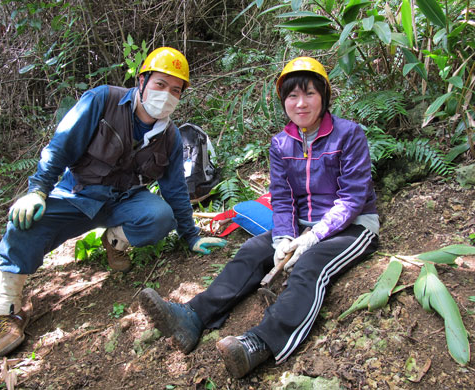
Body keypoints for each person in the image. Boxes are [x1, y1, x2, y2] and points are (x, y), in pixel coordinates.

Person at [139, 56, 379, 378]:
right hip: (302, 224)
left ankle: (261, 343)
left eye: (309, 94)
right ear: (284, 102)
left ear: (324, 96)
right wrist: (282, 237)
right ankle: (192, 317)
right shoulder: (281, 144)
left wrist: (313, 236)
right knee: (252, 251)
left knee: (310, 266)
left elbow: (352, 199)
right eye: (292, 96)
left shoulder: (349, 135)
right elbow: (282, 198)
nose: (301, 103)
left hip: (352, 227)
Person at [0, 47, 227, 356]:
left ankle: (114, 242)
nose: (166, 95)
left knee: (160, 216)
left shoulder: (170, 137)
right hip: (79, 195)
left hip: (123, 201)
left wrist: (191, 236)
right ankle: (6, 309)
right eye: (160, 84)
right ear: (141, 81)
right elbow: (61, 145)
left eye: (175, 90)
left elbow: (176, 190)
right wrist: (38, 190)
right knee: (25, 219)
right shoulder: (103, 100)